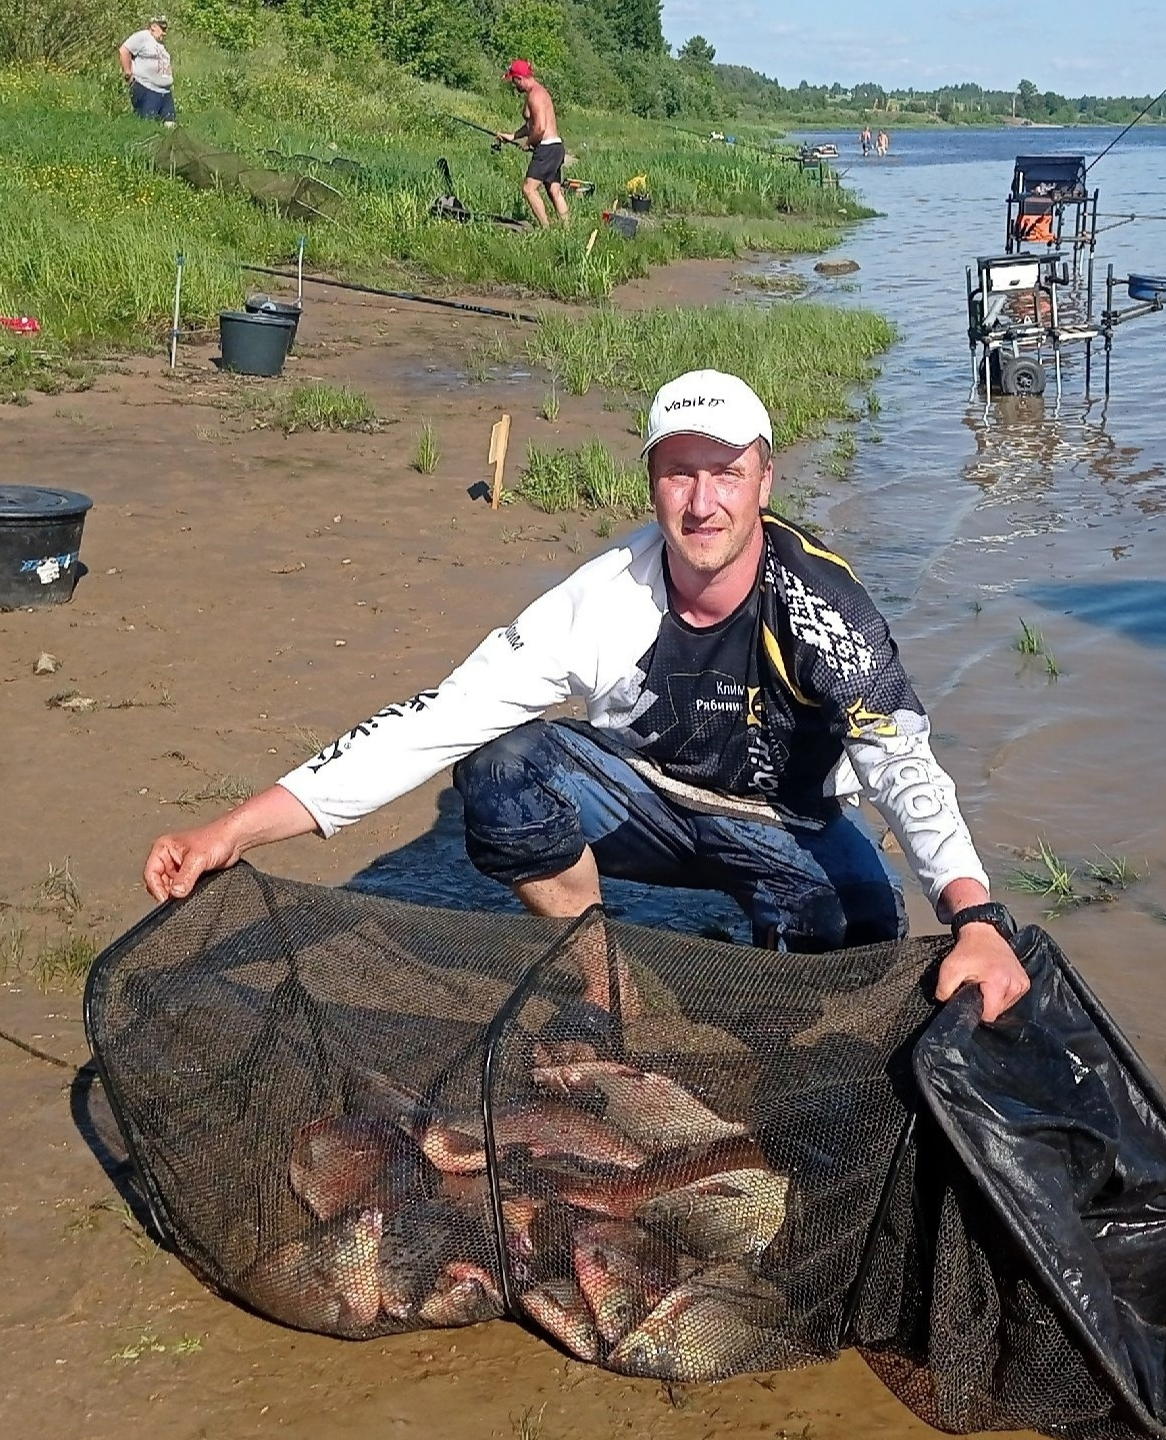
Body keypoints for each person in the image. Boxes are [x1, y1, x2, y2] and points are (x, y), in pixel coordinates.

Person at [142, 369, 1033, 1024]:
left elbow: (903, 766)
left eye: (726, 473)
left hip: (788, 820)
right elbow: (429, 723)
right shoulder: (603, 597)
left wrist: (978, 919)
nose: (702, 503)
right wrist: (231, 829)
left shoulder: (822, 606)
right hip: (645, 800)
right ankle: (607, 981)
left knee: (862, 939)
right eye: (678, 473)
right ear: (650, 481)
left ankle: (769, 961)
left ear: (766, 480)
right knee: (499, 766)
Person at [497, 59, 570, 229]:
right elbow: (531, 125)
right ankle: (567, 230)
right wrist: (512, 136)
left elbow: (540, 128)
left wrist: (528, 143)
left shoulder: (535, 96)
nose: (514, 85)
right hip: (556, 147)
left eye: (514, 81)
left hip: (547, 148)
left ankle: (546, 228)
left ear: (520, 78)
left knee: (529, 189)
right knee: (554, 191)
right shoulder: (539, 92)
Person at [117, 16, 175, 126]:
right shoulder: (143, 36)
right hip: (147, 89)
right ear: (153, 26)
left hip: (165, 93)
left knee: (171, 126)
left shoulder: (160, 43)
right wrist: (128, 73)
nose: (164, 33)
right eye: (162, 29)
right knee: (147, 125)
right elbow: (124, 50)